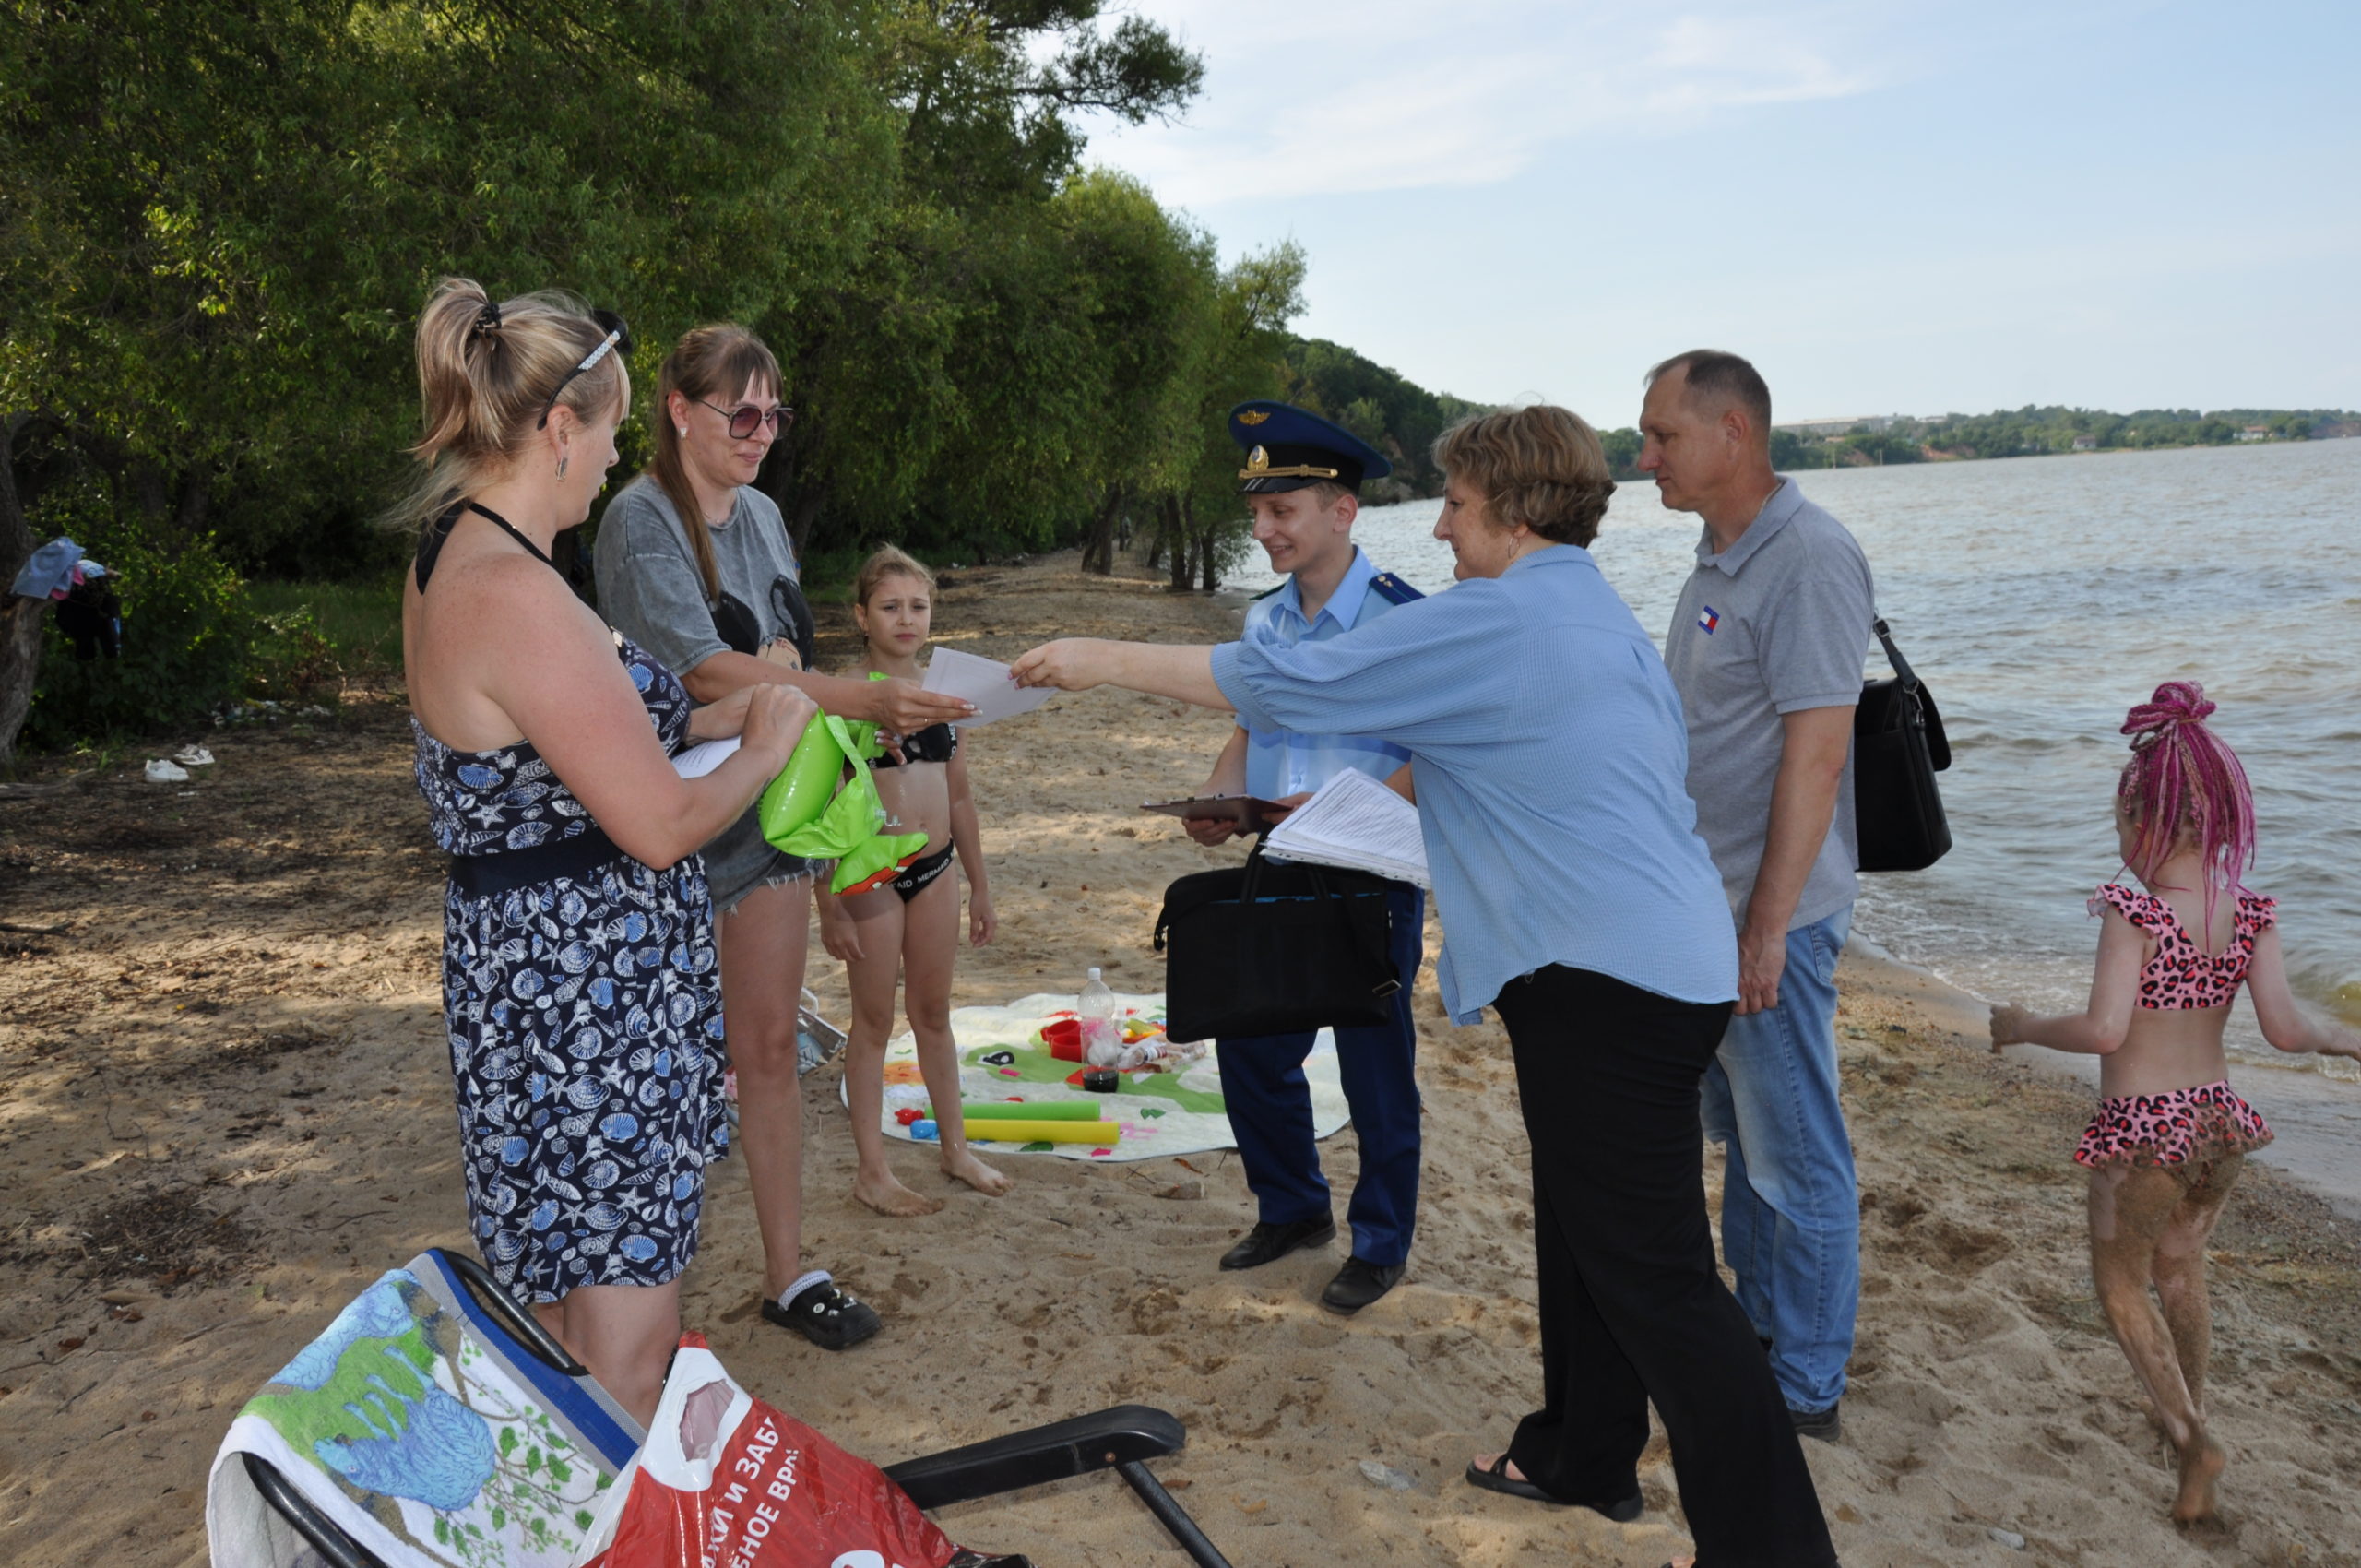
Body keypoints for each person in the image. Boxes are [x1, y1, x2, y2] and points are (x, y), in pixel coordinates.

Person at [1012, 405, 1837, 1565]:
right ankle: (1580, 1450)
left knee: (1661, 1281)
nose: (1440, 528)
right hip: (1629, 964)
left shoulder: (1504, 618)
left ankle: (1774, 1548)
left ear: (1510, 507)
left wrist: (1098, 661)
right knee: (1580, 1222)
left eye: (1455, 503)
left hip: (1613, 981)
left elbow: (1294, 681)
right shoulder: (1578, 604)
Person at [399, 279, 815, 1421]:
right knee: (628, 1345)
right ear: (557, 429)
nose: (617, 453)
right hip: (590, 1004)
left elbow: (570, 744)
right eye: (616, 427)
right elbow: (659, 821)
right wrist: (771, 735)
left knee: (566, 1318)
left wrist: (709, 716)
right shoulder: (515, 593)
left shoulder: (454, 551)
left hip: (531, 979)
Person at [593, 324, 972, 1350]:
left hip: (767, 818)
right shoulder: (637, 522)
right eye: (741, 413)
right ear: (679, 409)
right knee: (665, 1062)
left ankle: (787, 1271)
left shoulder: (760, 516)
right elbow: (707, 673)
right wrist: (855, 692)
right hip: (662, 827)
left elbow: (778, 652)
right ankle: (633, 1300)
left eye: (775, 415)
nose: (762, 434)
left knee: (765, 1046)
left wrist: (837, 865)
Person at [1989, 682, 2361, 1523]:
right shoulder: (2249, 910)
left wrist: (2022, 1025)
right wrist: (2352, 1041)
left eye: (2122, 824)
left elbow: (2103, 1029)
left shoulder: (2136, 910)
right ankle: (2185, 1413)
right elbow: (2290, 1032)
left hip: (2145, 1136)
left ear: (2141, 818)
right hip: (2218, 1128)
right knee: (2182, 1273)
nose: (2119, 842)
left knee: (2120, 1287)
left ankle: (2193, 1441)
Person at [1641, 348, 1875, 1441]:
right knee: (1748, 1144)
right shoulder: (1717, 554)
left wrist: (1766, 932)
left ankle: (1805, 1384)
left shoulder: (1810, 557)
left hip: (1765, 919)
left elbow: (1816, 758)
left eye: (1662, 437)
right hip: (1713, 908)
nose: (1645, 458)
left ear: (1732, 432)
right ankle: (1763, 1338)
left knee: (1800, 1155)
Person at [1175, 400, 1427, 1314]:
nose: (1262, 528)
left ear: (1341, 511)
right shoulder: (1263, 622)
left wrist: (1345, 812)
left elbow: (1433, 758)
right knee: (1251, 1043)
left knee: (1374, 1068)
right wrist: (1216, 796)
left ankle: (1381, 1241)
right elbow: (1249, 726)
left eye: (1281, 510)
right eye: (1256, 511)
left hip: (1372, 882)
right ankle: (1291, 1208)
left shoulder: (1404, 620)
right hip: (1279, 862)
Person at [814, 547, 1006, 1215]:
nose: (906, 618)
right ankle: (873, 1170)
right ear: (862, 616)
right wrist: (829, 905)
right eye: (890, 606)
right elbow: (817, 811)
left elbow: (958, 798)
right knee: (872, 1021)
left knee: (933, 1013)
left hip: (937, 870)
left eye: (918, 606)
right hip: (869, 875)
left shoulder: (945, 697)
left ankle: (955, 1149)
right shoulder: (841, 699)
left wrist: (980, 884)